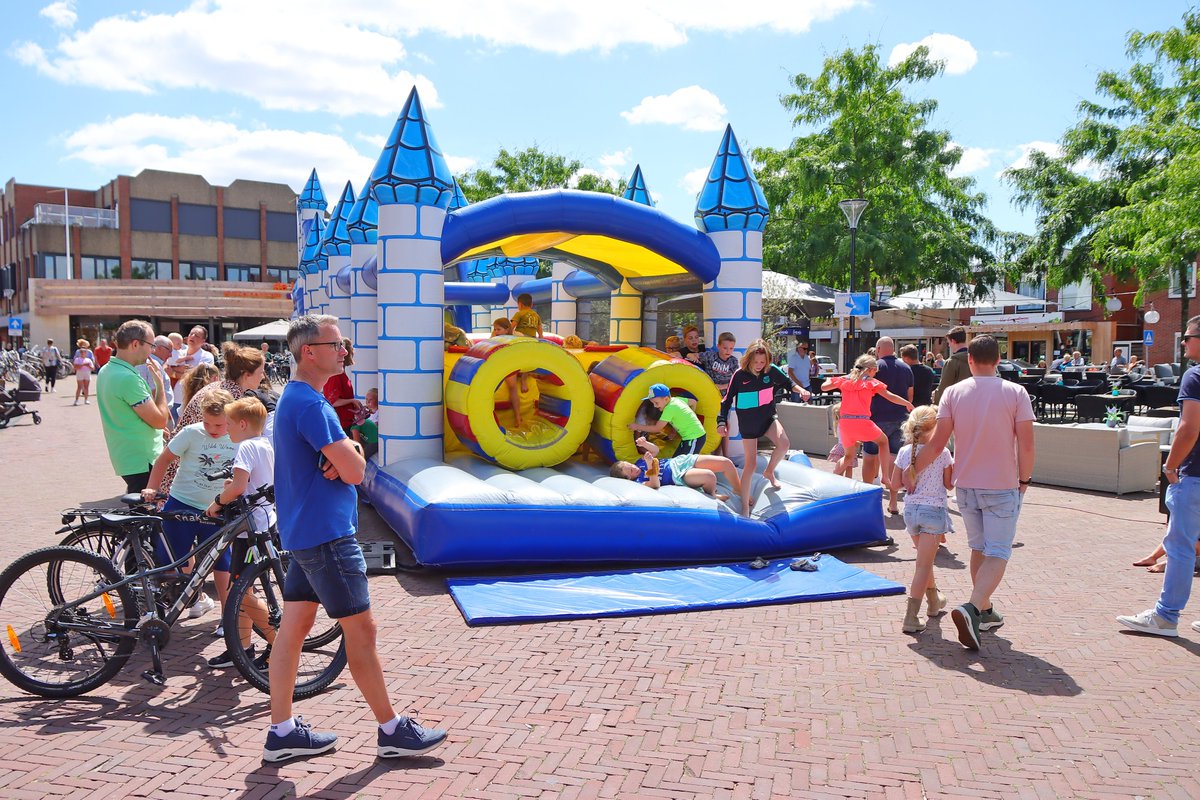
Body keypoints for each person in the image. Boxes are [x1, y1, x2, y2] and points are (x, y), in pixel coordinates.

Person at [264, 314, 446, 764]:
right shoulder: (310, 404)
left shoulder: (296, 398)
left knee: (293, 630)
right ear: (310, 351)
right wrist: (354, 453)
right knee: (361, 631)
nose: (344, 351)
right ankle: (391, 730)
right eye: (337, 343)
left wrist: (349, 452)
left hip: (306, 535)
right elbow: (357, 471)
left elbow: (348, 461)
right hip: (327, 538)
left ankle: (281, 730)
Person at [913, 334, 1036, 651]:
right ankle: (972, 607)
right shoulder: (1016, 393)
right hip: (1002, 483)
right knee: (998, 551)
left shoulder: (953, 393)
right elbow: (1026, 443)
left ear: (969, 360)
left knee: (979, 548)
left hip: (965, 484)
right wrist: (1025, 479)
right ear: (998, 360)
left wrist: (911, 471)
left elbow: (938, 443)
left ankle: (983, 611)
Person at [1117, 315, 1200, 637]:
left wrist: (1170, 467)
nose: (1183, 342)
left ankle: (1166, 616)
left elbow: (1190, 426)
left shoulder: (1194, 376)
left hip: (1194, 475)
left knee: (1179, 547)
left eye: (1188, 336)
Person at [141, 390, 237, 628]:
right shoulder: (191, 433)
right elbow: (163, 460)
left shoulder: (237, 439)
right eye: (206, 422)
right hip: (182, 503)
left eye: (219, 424)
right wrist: (152, 489)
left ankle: (228, 618)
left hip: (216, 509)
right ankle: (183, 603)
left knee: (223, 564)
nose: (212, 429)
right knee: (175, 562)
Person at [204, 396, 276, 669]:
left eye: (230, 424)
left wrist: (217, 503)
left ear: (243, 424)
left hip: (250, 529)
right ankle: (242, 648)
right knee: (243, 588)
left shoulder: (245, 447)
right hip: (264, 523)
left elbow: (238, 487)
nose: (227, 429)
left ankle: (277, 643)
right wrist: (234, 485)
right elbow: (251, 483)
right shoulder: (266, 444)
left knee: (240, 591)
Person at [717, 339, 811, 514]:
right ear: (749, 360)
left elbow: (789, 384)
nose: (759, 365)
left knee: (784, 444)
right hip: (749, 424)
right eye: (756, 362)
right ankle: (745, 507)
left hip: (767, 418)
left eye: (763, 362)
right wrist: (721, 422)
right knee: (750, 465)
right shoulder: (739, 375)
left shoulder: (771, 371)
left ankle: (769, 472)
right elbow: (726, 400)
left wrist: (802, 390)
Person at [891, 406, 953, 633]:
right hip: (933, 511)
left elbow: (895, 484)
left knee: (924, 563)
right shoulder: (943, 453)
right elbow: (949, 484)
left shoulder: (904, 452)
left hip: (911, 512)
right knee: (923, 565)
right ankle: (910, 616)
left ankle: (934, 601)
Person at [97, 320, 170, 493]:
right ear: (136, 344)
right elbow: (160, 420)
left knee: (139, 511)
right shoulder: (128, 378)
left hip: (126, 455)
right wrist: (160, 386)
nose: (152, 351)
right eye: (151, 345)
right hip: (142, 458)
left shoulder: (107, 370)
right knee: (145, 514)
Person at [823, 355, 913, 483]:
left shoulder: (845, 381)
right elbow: (890, 396)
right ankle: (885, 477)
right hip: (862, 422)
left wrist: (834, 379)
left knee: (848, 456)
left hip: (845, 423)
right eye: (875, 371)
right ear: (870, 369)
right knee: (883, 442)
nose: (875, 374)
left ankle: (832, 479)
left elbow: (824, 387)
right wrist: (906, 403)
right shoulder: (870, 382)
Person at [862, 337, 913, 515]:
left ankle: (867, 501)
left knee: (869, 457)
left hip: (876, 419)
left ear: (877, 349)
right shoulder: (906, 367)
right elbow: (910, 395)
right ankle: (893, 502)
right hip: (900, 419)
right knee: (893, 460)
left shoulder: (874, 367)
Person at [611, 435, 742, 502]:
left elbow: (655, 450)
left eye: (631, 465)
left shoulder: (639, 463)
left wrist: (645, 444)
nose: (634, 468)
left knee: (726, 462)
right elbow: (655, 484)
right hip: (678, 475)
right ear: (628, 478)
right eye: (631, 470)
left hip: (680, 461)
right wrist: (650, 464)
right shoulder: (639, 482)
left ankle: (739, 490)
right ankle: (713, 494)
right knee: (709, 476)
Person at [628, 383, 708, 455]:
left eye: (656, 403)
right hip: (688, 438)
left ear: (666, 399)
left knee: (687, 462)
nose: (655, 406)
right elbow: (693, 402)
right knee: (676, 460)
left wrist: (637, 426)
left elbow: (657, 428)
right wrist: (692, 415)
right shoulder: (676, 400)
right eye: (653, 403)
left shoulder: (669, 409)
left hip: (694, 438)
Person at [166, 327, 215, 422]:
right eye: (191, 334)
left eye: (196, 335)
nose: (192, 336)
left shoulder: (206, 356)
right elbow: (165, 368)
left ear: (203, 341)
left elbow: (198, 377)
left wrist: (174, 372)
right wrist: (179, 370)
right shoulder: (178, 352)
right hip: (174, 400)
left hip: (193, 401)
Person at [322, 338, 360, 433]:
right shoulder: (336, 375)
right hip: (340, 423)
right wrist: (352, 401)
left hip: (345, 422)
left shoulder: (340, 373)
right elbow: (333, 401)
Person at [136, 336, 176, 415]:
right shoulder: (153, 364)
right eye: (169, 351)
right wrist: (161, 415)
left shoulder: (151, 362)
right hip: (159, 413)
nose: (171, 355)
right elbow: (154, 392)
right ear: (160, 348)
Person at [932, 326, 969, 404]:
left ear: (953, 341)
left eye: (948, 343)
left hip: (957, 405)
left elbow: (944, 387)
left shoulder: (952, 362)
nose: (949, 346)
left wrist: (936, 401)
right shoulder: (977, 359)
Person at [826, 403, 858, 479]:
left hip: (840, 446)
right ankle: (848, 482)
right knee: (848, 468)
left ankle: (839, 481)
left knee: (842, 467)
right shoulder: (846, 423)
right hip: (848, 447)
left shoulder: (839, 423)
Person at [350, 388, 380, 460]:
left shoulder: (379, 413)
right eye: (366, 399)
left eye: (371, 400)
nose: (367, 402)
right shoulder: (366, 412)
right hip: (363, 436)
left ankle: (358, 456)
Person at [72, 339, 96, 406]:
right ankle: (76, 400)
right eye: (82, 352)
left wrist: (90, 365)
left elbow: (92, 362)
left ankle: (86, 399)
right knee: (79, 386)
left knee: (86, 387)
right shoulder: (77, 353)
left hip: (87, 372)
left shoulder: (89, 353)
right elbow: (75, 364)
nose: (83, 352)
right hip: (80, 372)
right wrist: (82, 364)